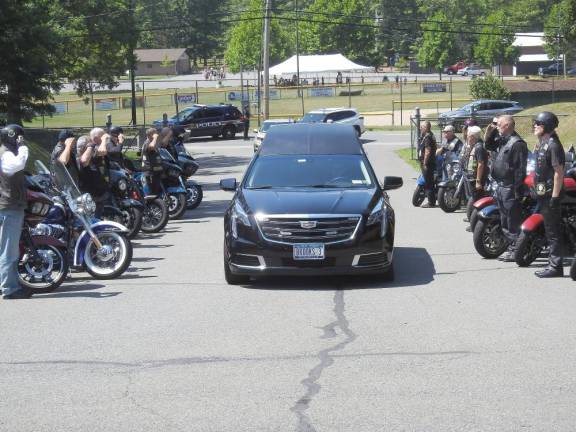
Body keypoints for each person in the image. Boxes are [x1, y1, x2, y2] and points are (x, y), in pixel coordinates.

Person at [485, 115, 529, 262]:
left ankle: (515, 250)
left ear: (507, 125)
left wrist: (517, 191)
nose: (497, 127)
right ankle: (510, 247)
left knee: (512, 220)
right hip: (501, 185)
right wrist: (491, 130)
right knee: (504, 218)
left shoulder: (517, 144)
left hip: (510, 187)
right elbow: (489, 145)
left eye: (500, 125)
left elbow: (519, 170)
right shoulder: (503, 140)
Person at [532, 112, 565, 278]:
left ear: (547, 126)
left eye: (539, 123)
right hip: (542, 192)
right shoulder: (543, 143)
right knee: (548, 229)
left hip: (550, 194)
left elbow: (559, 173)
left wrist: (554, 197)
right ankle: (552, 262)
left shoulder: (553, 145)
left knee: (553, 231)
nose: (535, 125)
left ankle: (556, 266)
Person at [0, 124, 30, 299]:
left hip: (7, 205)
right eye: (20, 137)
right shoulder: (8, 154)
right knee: (9, 251)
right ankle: (10, 289)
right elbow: (18, 164)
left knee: (5, 249)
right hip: (10, 206)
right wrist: (23, 147)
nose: (21, 140)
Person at [76, 135, 110, 218]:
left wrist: (103, 141)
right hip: (89, 197)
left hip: (100, 194)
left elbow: (102, 151)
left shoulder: (93, 155)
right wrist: (91, 146)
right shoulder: (80, 158)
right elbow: (84, 161)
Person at [418, 121, 438, 208]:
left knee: (429, 183)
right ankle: (431, 201)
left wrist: (425, 162)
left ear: (426, 128)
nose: (420, 128)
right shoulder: (430, 135)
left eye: (422, 127)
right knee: (429, 182)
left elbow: (428, 150)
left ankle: (431, 202)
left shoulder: (428, 137)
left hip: (428, 163)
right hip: (430, 162)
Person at [141, 128, 162, 195]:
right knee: (152, 193)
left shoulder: (152, 142)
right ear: (151, 135)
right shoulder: (147, 143)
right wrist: (155, 138)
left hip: (155, 171)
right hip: (150, 171)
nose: (157, 135)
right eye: (155, 134)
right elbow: (152, 146)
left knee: (156, 190)